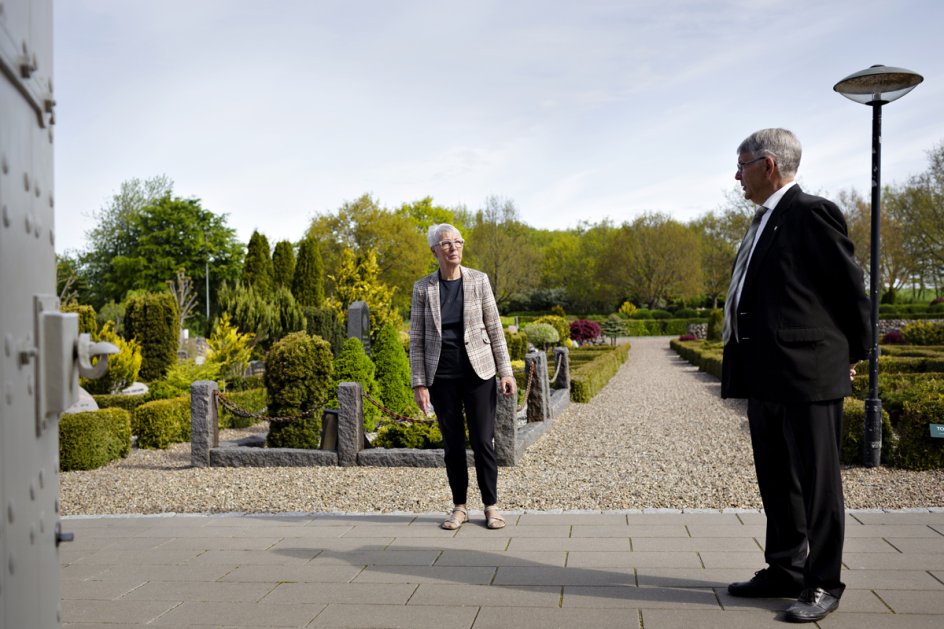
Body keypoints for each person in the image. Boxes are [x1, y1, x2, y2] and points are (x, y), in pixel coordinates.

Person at [721, 129, 870, 623]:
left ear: (767, 165)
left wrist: (854, 352)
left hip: (809, 374)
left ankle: (823, 583)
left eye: (740, 164)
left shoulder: (810, 212)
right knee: (778, 479)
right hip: (766, 375)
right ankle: (785, 569)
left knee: (818, 484)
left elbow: (849, 290)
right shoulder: (762, 221)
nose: (735, 174)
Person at [409, 223, 517, 530]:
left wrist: (505, 371)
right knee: (453, 444)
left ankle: (491, 506)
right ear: (434, 251)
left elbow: (495, 328)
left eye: (458, 242)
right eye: (446, 244)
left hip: (478, 373)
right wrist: (419, 382)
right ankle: (459, 506)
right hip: (441, 377)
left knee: (483, 440)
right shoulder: (423, 288)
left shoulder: (479, 280)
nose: (454, 247)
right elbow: (416, 339)